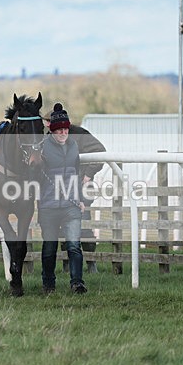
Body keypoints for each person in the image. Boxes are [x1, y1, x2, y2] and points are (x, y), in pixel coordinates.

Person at [44, 112, 107, 274]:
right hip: (57, 191)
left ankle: (91, 263)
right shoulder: (48, 139)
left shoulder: (79, 134)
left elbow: (100, 151)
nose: (47, 125)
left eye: (48, 121)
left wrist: (88, 174)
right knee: (61, 228)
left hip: (80, 188)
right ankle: (67, 265)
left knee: (83, 226)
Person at [39, 103, 86, 294]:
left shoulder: (73, 145)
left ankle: (77, 282)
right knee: (50, 248)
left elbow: (77, 174)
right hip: (48, 206)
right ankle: (48, 284)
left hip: (71, 205)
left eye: (65, 129)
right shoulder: (41, 147)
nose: (63, 133)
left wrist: (80, 199)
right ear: (52, 130)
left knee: (74, 246)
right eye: (59, 129)